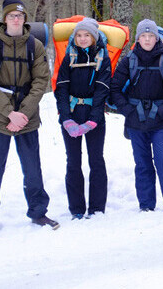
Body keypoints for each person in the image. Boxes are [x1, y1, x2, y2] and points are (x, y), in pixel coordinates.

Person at [0, 0, 57, 236]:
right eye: (12, 15)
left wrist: (22, 113)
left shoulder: (35, 45)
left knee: (32, 168)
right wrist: (10, 114)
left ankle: (38, 212)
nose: (16, 19)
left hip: (27, 115)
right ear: (5, 19)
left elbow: (41, 81)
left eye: (20, 15)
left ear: (24, 19)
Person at [110, 19, 163, 213]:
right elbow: (115, 90)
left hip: (160, 122)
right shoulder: (129, 60)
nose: (147, 40)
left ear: (156, 38)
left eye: (151, 36)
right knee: (142, 162)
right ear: (138, 39)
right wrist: (128, 110)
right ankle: (146, 204)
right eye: (143, 36)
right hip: (135, 121)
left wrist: (161, 111)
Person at [54, 17, 111, 219]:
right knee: (73, 161)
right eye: (79, 35)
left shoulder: (102, 57)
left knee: (96, 160)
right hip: (72, 112)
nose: (83, 38)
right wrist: (66, 119)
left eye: (87, 35)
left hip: (93, 114)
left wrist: (93, 119)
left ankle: (96, 208)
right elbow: (61, 88)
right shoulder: (69, 56)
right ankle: (76, 209)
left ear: (94, 37)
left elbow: (103, 89)